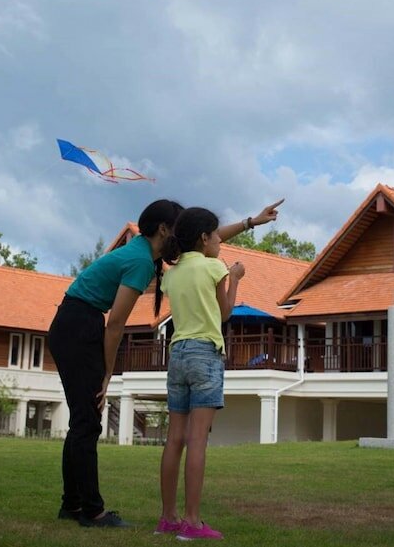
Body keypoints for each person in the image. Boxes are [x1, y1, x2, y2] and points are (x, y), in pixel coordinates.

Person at [49, 198, 282, 528]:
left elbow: (205, 242)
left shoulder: (154, 256)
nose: (186, 232)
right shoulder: (141, 261)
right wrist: (106, 377)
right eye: (178, 225)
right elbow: (116, 323)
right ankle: (91, 510)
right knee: (87, 422)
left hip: (75, 323)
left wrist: (250, 223)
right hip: (79, 326)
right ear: (163, 230)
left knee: (83, 421)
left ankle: (72, 505)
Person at [154, 208, 244, 540]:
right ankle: (192, 522)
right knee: (197, 441)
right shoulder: (214, 267)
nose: (221, 240)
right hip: (205, 353)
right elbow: (224, 313)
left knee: (174, 438)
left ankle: (168, 518)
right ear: (204, 238)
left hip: (176, 354)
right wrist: (234, 279)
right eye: (217, 235)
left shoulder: (171, 274)